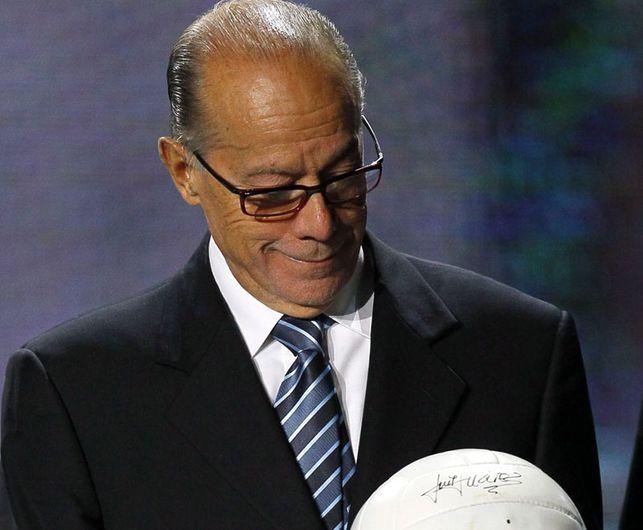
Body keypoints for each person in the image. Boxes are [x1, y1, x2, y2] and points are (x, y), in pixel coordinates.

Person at [1, 1, 602, 529]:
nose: (319, 223)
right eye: (271, 194)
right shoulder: (74, 393)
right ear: (184, 172)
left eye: (343, 174)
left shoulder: (521, 352)